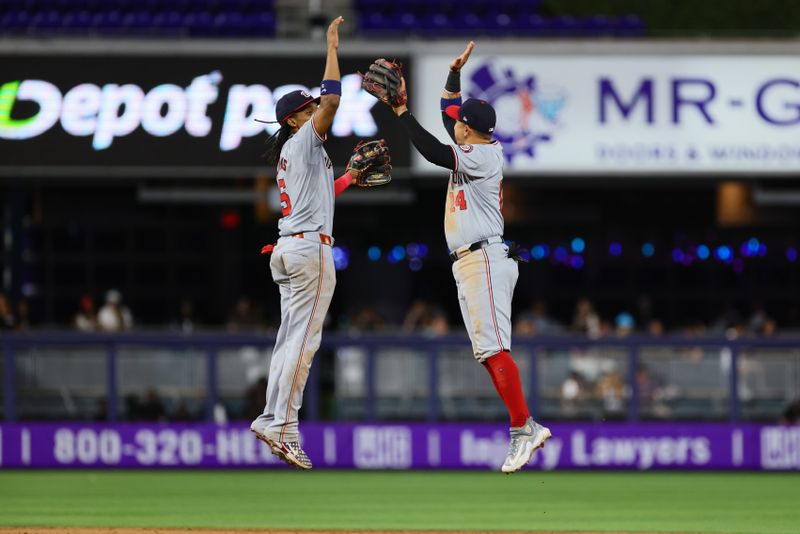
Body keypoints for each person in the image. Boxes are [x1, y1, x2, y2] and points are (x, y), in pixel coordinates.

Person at [366, 42, 551, 473]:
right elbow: (451, 112)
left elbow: (432, 150)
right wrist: (453, 76)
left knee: (495, 348)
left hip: (483, 258)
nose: (454, 124)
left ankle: (524, 427)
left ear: (468, 130)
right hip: (473, 259)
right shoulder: (476, 145)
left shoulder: (482, 155)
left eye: (459, 123)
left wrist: (399, 113)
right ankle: (522, 425)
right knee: (487, 351)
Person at [250, 16, 390, 470]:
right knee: (303, 344)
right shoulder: (304, 137)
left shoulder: (299, 153)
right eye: (306, 109)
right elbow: (333, 96)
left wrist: (348, 176)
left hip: (292, 246)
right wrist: (332, 46)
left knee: (289, 340)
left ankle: (272, 417)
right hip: (309, 251)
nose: (316, 111)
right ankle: (283, 427)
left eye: (311, 109)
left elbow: (320, 197)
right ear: (293, 118)